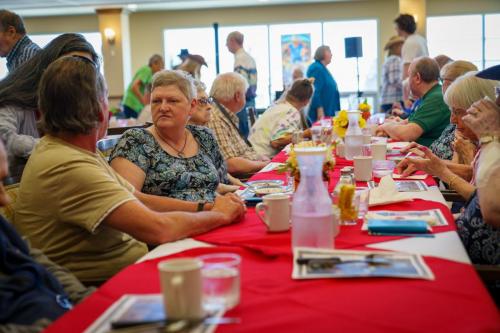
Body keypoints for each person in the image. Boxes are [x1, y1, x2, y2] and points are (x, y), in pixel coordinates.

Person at [15, 57, 245, 285]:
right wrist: (217, 213)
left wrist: (207, 207)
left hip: (135, 266)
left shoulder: (74, 152)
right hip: (100, 289)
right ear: (100, 111)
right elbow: (159, 229)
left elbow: (134, 198)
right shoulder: (67, 164)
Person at [0, 139, 94, 333]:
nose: (6, 198)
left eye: (2, 181)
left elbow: (33, 259)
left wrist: (88, 303)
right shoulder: (63, 161)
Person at [110, 70, 229, 203]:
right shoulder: (135, 141)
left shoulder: (204, 136)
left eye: (172, 101)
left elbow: (217, 184)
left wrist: (241, 190)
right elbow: (127, 203)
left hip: (216, 216)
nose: (163, 107)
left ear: (192, 106)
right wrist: (202, 208)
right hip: (167, 222)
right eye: (156, 101)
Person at [0, 33, 99, 182]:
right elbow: (5, 139)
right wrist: (61, 150)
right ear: (48, 65)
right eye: (69, 66)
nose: (76, 77)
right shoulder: (18, 97)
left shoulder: (74, 107)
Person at [377, 57, 450, 147]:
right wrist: (391, 125)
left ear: (417, 78)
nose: (407, 80)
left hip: (428, 156)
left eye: (409, 75)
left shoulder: (436, 98)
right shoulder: (431, 95)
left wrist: (384, 126)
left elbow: (406, 134)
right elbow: (406, 122)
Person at [207, 72, 268, 178]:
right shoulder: (214, 118)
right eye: (245, 94)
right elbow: (231, 165)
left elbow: (242, 152)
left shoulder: (224, 114)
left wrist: (259, 157)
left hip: (250, 170)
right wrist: (263, 165)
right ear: (238, 96)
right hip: (242, 179)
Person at [249, 78, 313, 159]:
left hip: (252, 152)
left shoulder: (278, 106)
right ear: (307, 101)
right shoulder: (291, 111)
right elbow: (276, 142)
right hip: (261, 158)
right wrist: (305, 134)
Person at [226, 31, 257, 138]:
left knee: (244, 135)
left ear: (232, 41)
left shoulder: (240, 59)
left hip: (244, 101)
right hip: (250, 100)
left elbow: (240, 84)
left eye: (227, 42)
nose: (226, 46)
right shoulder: (248, 57)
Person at [122, 54, 164, 119]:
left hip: (133, 104)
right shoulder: (147, 70)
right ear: (154, 64)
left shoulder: (149, 73)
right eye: (160, 66)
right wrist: (143, 101)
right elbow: (134, 87)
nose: (160, 69)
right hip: (131, 103)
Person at [306, 45, 340, 122]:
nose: (331, 55)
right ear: (322, 53)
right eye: (329, 51)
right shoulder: (317, 68)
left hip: (328, 111)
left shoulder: (322, 68)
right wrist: (319, 108)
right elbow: (315, 90)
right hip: (321, 114)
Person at [394, 13, 428, 81]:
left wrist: (404, 88)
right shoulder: (421, 39)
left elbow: (407, 70)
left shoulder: (409, 43)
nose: (395, 29)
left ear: (401, 27)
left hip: (416, 82)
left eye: (396, 26)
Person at [380, 36, 404, 113]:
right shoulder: (395, 59)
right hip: (393, 101)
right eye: (402, 46)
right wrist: (408, 87)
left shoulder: (389, 60)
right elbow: (395, 80)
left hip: (388, 100)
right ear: (396, 47)